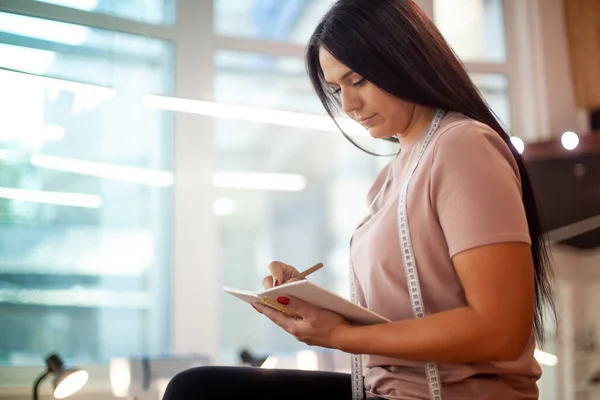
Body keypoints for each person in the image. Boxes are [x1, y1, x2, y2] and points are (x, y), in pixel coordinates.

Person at [162, 0, 555, 399]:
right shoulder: (389, 179)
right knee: (196, 387)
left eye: (359, 81)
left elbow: (501, 331)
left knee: (199, 390)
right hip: (386, 389)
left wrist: (341, 335)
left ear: (405, 60)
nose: (348, 105)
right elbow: (406, 315)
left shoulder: (463, 145)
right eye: (337, 89)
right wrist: (315, 306)